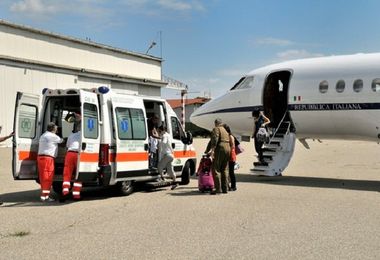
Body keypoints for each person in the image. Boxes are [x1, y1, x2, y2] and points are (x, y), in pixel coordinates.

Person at [37, 122, 64, 202]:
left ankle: (43, 195)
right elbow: (61, 141)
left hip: (40, 158)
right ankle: (45, 196)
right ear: (53, 129)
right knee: (48, 177)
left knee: (43, 177)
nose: (56, 130)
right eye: (56, 128)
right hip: (48, 159)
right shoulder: (53, 136)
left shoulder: (43, 135)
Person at [205, 118, 231, 194]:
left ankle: (218, 189)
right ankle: (225, 188)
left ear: (216, 123)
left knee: (216, 168)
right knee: (225, 169)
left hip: (220, 148)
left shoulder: (216, 129)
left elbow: (214, 140)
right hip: (227, 148)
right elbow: (211, 141)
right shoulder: (225, 130)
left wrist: (212, 150)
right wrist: (207, 150)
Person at [61, 111, 82, 201]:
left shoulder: (71, 135)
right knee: (78, 174)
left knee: (67, 174)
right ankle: (76, 195)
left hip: (70, 154)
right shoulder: (83, 135)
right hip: (78, 155)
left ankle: (65, 192)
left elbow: (67, 146)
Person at [157, 125, 178, 190]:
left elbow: (164, 142)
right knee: (170, 170)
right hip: (171, 155)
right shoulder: (169, 135)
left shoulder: (164, 136)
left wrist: (159, 141)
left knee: (159, 166)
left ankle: (162, 178)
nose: (159, 132)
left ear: (162, 130)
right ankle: (175, 182)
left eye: (159, 131)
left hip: (167, 155)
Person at [223, 124, 237, 191]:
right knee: (227, 172)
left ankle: (233, 186)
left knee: (231, 172)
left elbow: (232, 147)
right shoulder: (226, 136)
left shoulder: (230, 136)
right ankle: (227, 185)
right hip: (228, 155)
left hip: (230, 155)